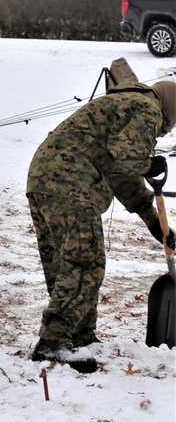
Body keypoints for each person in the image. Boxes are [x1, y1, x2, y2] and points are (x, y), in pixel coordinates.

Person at [26, 80, 176, 372]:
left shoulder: (126, 104)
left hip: (44, 179)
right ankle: (52, 342)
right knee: (85, 262)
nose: (169, 129)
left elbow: (120, 173)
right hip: (71, 183)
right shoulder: (146, 108)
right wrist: (149, 165)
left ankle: (80, 336)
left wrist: (154, 222)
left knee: (64, 264)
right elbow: (129, 160)